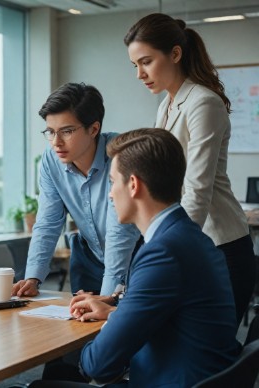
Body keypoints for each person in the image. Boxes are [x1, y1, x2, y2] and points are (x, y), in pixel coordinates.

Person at [65, 128, 241, 386]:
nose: (110, 194)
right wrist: (116, 315)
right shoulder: (190, 236)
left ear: (133, 185)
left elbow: (98, 365)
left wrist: (109, 331)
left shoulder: (163, 252)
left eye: (112, 182)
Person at [125, 13, 256, 326]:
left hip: (219, 245)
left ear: (175, 54)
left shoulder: (204, 102)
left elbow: (197, 188)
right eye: (135, 66)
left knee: (210, 353)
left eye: (146, 62)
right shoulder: (167, 104)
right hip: (189, 239)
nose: (140, 74)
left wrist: (169, 249)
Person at [12, 83, 141, 298]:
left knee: (122, 325)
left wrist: (106, 299)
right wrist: (33, 277)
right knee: (78, 322)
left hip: (135, 253)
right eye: (50, 132)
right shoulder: (51, 160)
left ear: (94, 129)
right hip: (89, 256)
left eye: (67, 131)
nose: (56, 142)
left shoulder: (122, 155)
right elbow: (47, 221)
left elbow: (121, 232)